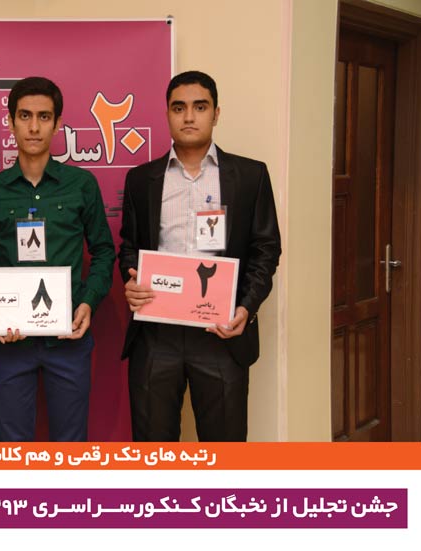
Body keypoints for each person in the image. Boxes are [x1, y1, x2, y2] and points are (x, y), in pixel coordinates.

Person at [119, 70, 281, 442]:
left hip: (221, 333)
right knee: (152, 449)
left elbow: (266, 249)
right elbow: (129, 247)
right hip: (156, 333)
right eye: (179, 108)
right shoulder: (141, 180)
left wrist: (246, 308)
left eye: (200, 107)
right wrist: (132, 278)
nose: (189, 116)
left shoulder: (250, 175)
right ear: (167, 114)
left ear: (216, 113)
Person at [0, 76, 115, 442]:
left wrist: (88, 302)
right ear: (10, 122)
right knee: (13, 449)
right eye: (25, 116)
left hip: (68, 339)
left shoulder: (81, 185)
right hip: (10, 343)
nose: (34, 127)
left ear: (57, 123)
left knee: (70, 446)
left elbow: (103, 250)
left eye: (44, 117)